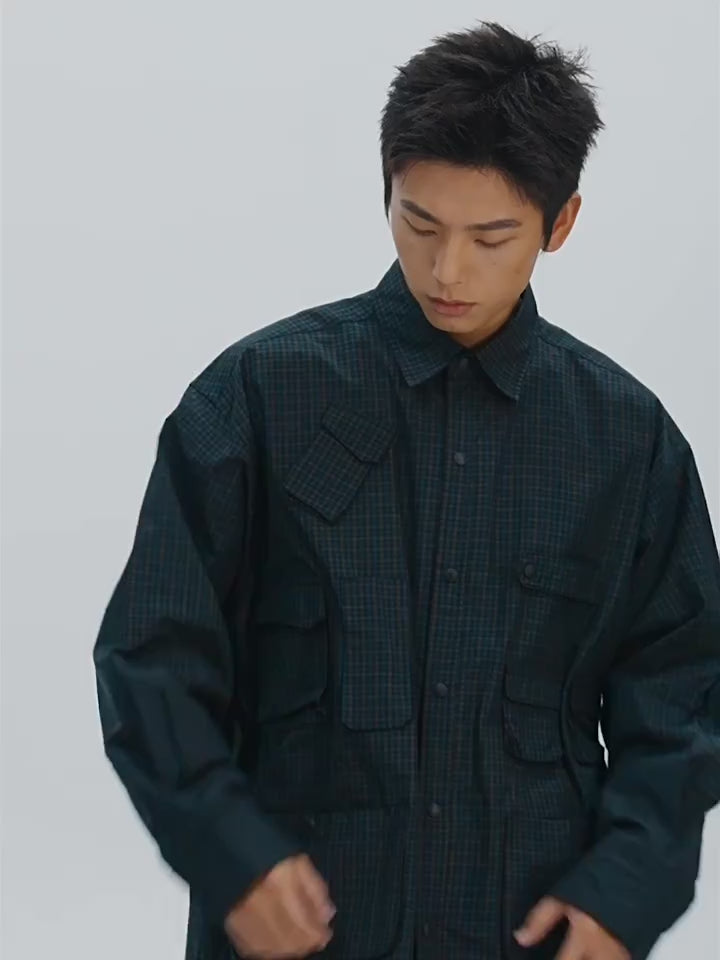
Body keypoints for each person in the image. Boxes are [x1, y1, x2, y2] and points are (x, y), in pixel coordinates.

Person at [92, 20, 720, 960]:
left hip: (528, 934)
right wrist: (231, 856)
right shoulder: (259, 397)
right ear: (384, 190)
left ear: (561, 224)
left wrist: (624, 893)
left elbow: (684, 696)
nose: (446, 270)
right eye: (418, 223)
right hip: (301, 938)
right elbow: (153, 656)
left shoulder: (626, 441)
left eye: (491, 237)